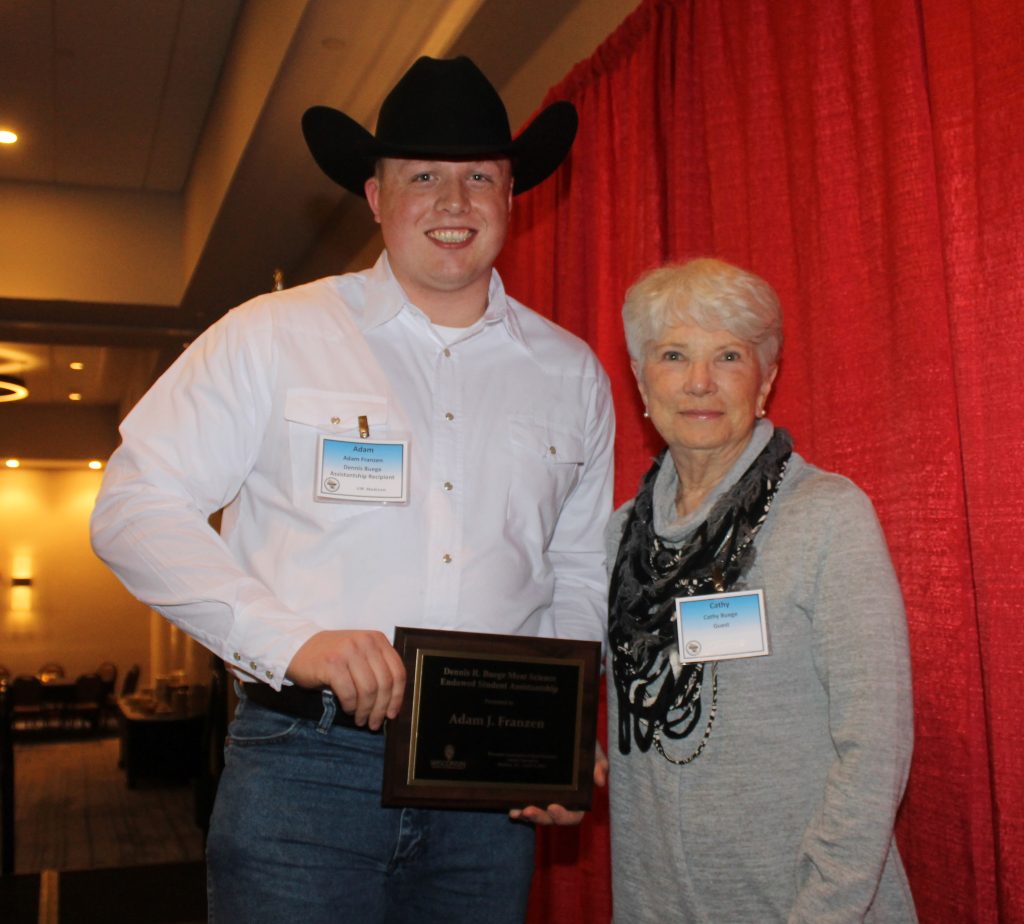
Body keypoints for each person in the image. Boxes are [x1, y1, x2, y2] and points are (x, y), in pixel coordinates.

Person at [91, 56, 614, 923]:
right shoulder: (272, 336)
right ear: (375, 198)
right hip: (304, 768)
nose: (453, 203)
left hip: (488, 788)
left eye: (478, 175)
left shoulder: (572, 374)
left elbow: (579, 567)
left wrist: (557, 741)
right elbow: (133, 507)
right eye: (422, 177)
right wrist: (291, 640)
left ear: (512, 193)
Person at [606, 258, 916, 921]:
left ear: (765, 377)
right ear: (640, 380)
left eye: (727, 356)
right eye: (673, 355)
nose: (699, 382)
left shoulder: (825, 515)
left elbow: (875, 748)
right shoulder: (617, 542)